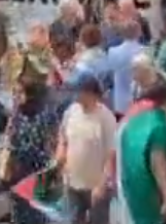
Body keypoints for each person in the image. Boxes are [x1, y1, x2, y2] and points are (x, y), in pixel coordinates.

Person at [57, 74, 116, 224]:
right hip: (72, 183)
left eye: (77, 91)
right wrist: (60, 155)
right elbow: (63, 138)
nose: (74, 95)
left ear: (89, 92)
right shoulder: (71, 112)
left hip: (95, 186)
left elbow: (111, 155)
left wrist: (102, 185)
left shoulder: (106, 118)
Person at [114, 81, 166, 224]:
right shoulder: (159, 126)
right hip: (148, 193)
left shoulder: (133, 120)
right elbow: (157, 164)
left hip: (128, 185)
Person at [5, 73, 61, 224]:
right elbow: (10, 140)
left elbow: (54, 141)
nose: (15, 96)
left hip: (39, 170)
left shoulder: (47, 114)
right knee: (20, 212)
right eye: (14, 92)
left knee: (39, 212)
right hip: (19, 170)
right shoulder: (16, 114)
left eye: (19, 92)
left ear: (30, 94)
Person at [107, 19, 145, 119]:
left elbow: (110, 74)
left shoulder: (112, 52)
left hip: (120, 103)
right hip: (139, 102)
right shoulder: (145, 52)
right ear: (139, 33)